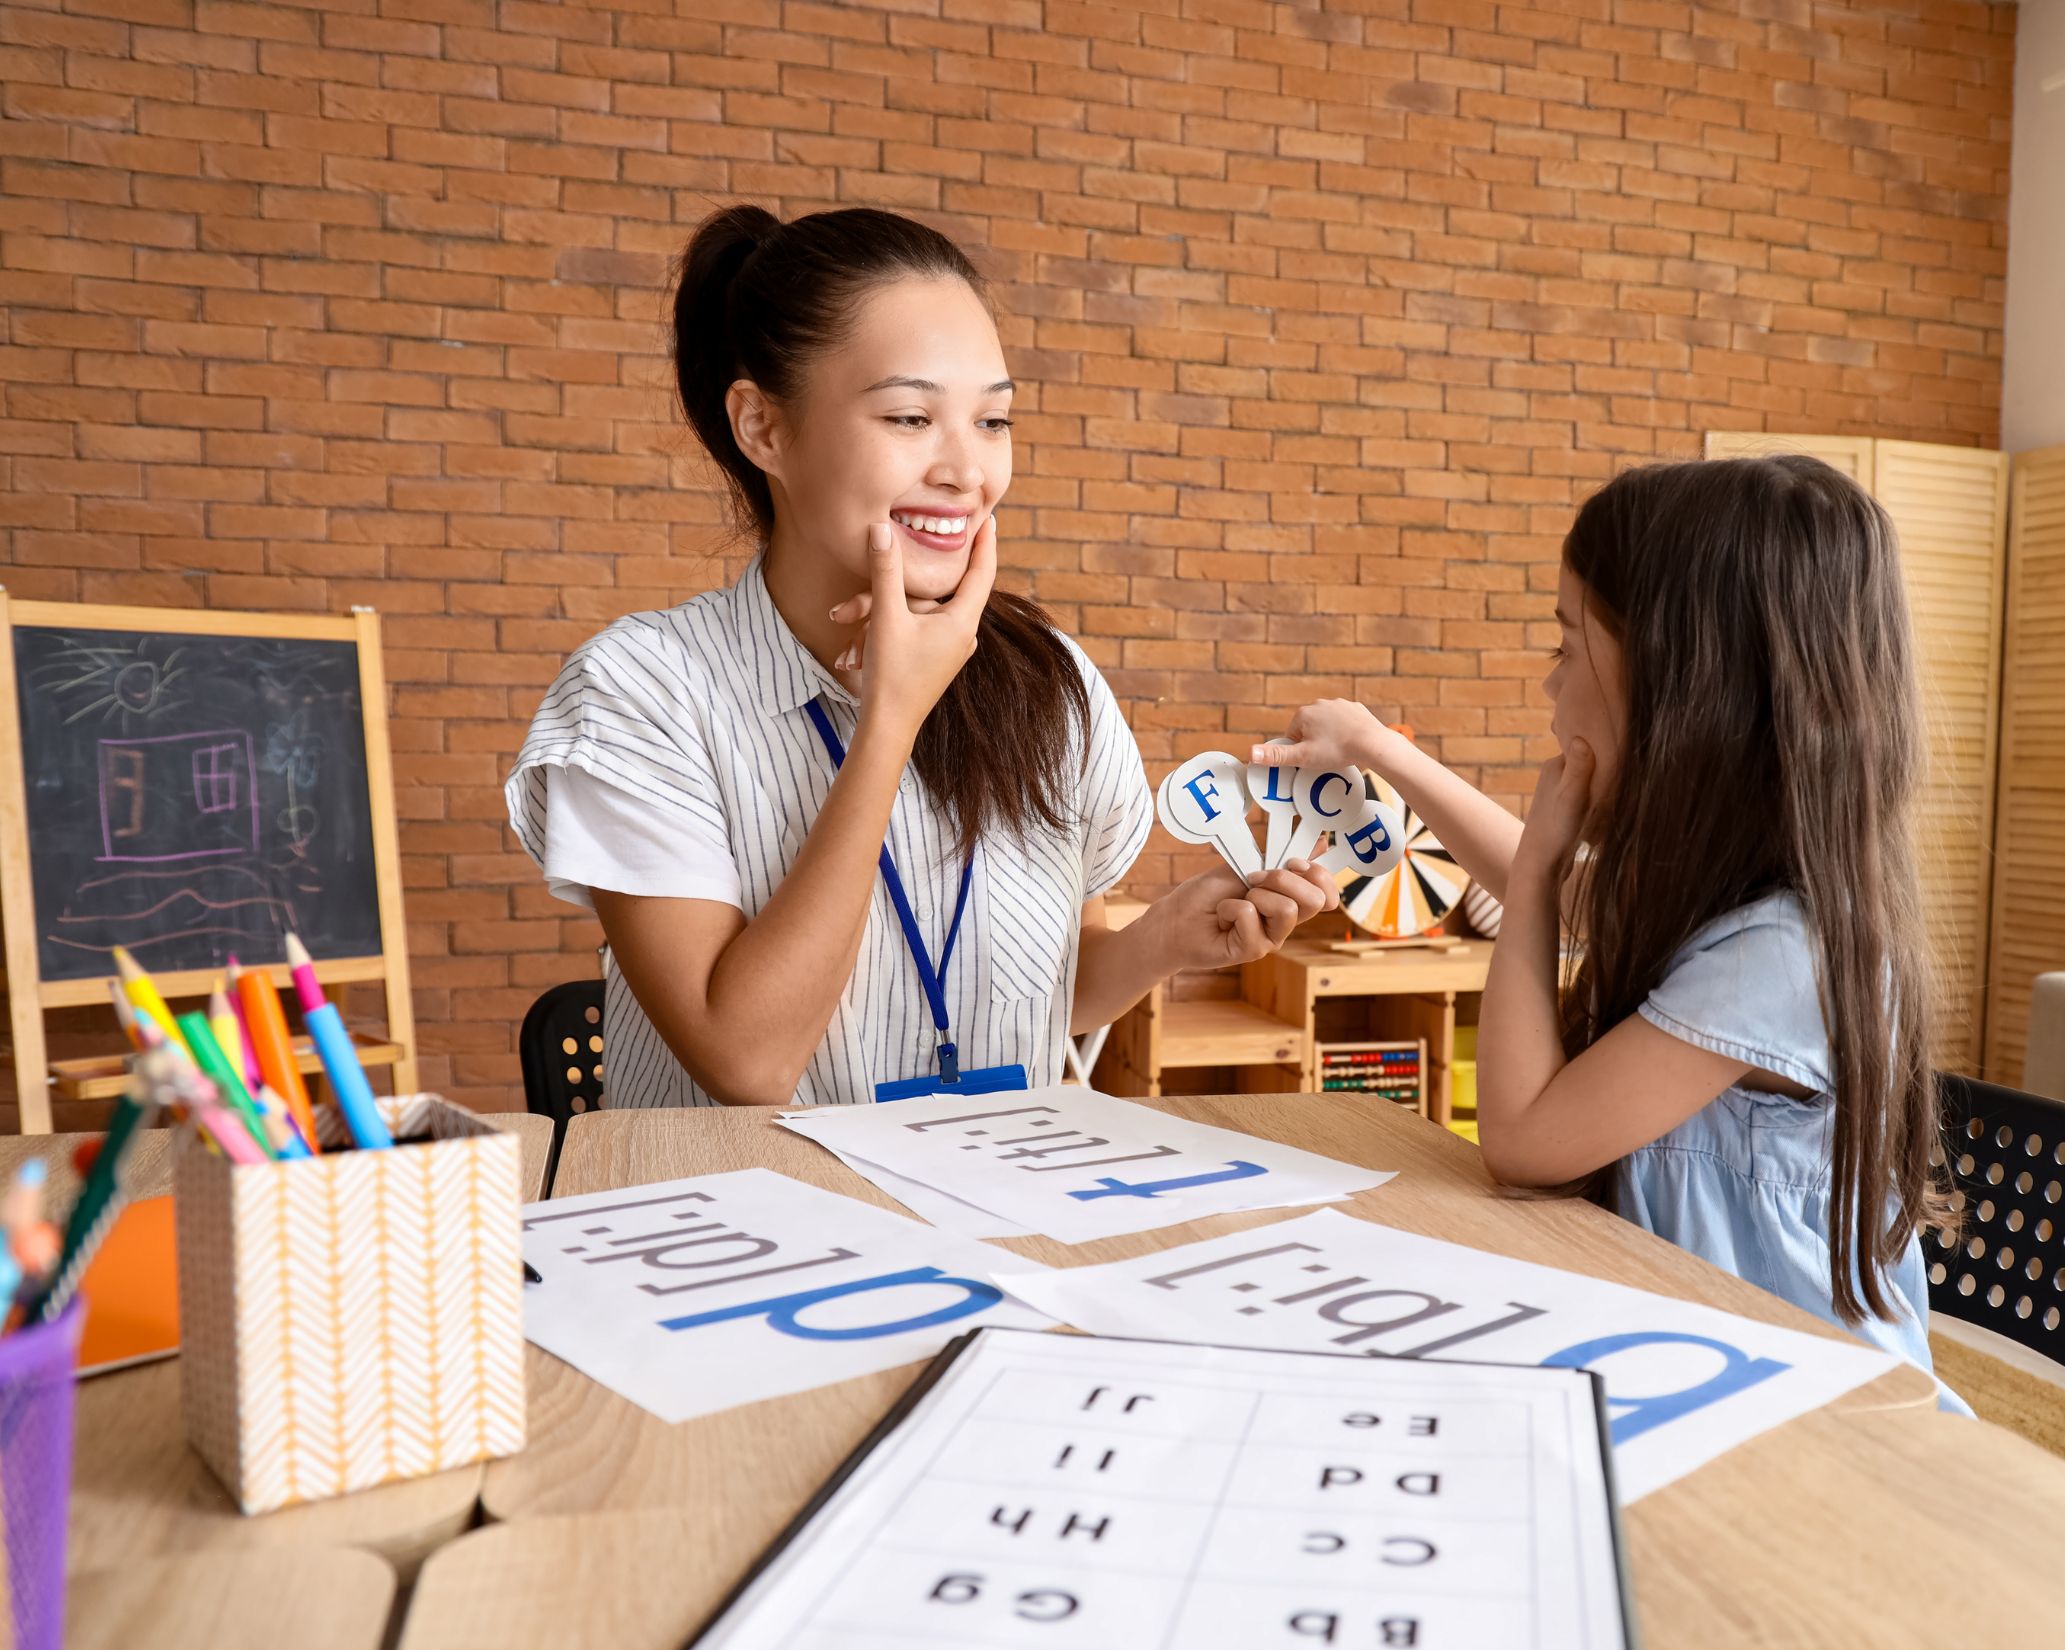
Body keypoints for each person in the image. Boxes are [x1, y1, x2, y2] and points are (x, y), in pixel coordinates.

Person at [509, 205, 1334, 1108]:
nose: (966, 471)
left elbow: (1042, 995)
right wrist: (889, 720)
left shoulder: (1050, 686)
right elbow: (747, 1061)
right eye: (910, 416)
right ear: (762, 428)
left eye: (992, 421)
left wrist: (1166, 940)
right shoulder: (640, 692)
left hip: (987, 1220)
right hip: (750, 1233)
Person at [1255, 456, 1962, 1398]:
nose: (1551, 691)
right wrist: (1381, 751)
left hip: (1816, 1402)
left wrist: (1545, 864)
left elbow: (1523, 1136)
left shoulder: (1782, 955)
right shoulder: (1742, 904)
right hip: (1689, 1338)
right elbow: (1525, 873)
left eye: (1566, 648)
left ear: (1685, 685)